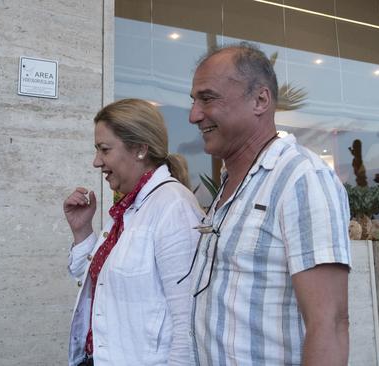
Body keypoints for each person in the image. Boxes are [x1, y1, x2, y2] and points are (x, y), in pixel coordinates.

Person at [186, 42, 351, 365]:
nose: (194, 115)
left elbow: (329, 324)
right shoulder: (229, 183)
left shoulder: (301, 177)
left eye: (207, 98)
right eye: (193, 101)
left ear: (260, 100)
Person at [63, 98, 203, 366]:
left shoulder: (173, 206)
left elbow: (188, 322)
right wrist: (82, 232)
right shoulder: (128, 207)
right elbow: (101, 283)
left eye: (104, 149)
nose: (96, 162)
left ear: (140, 149)